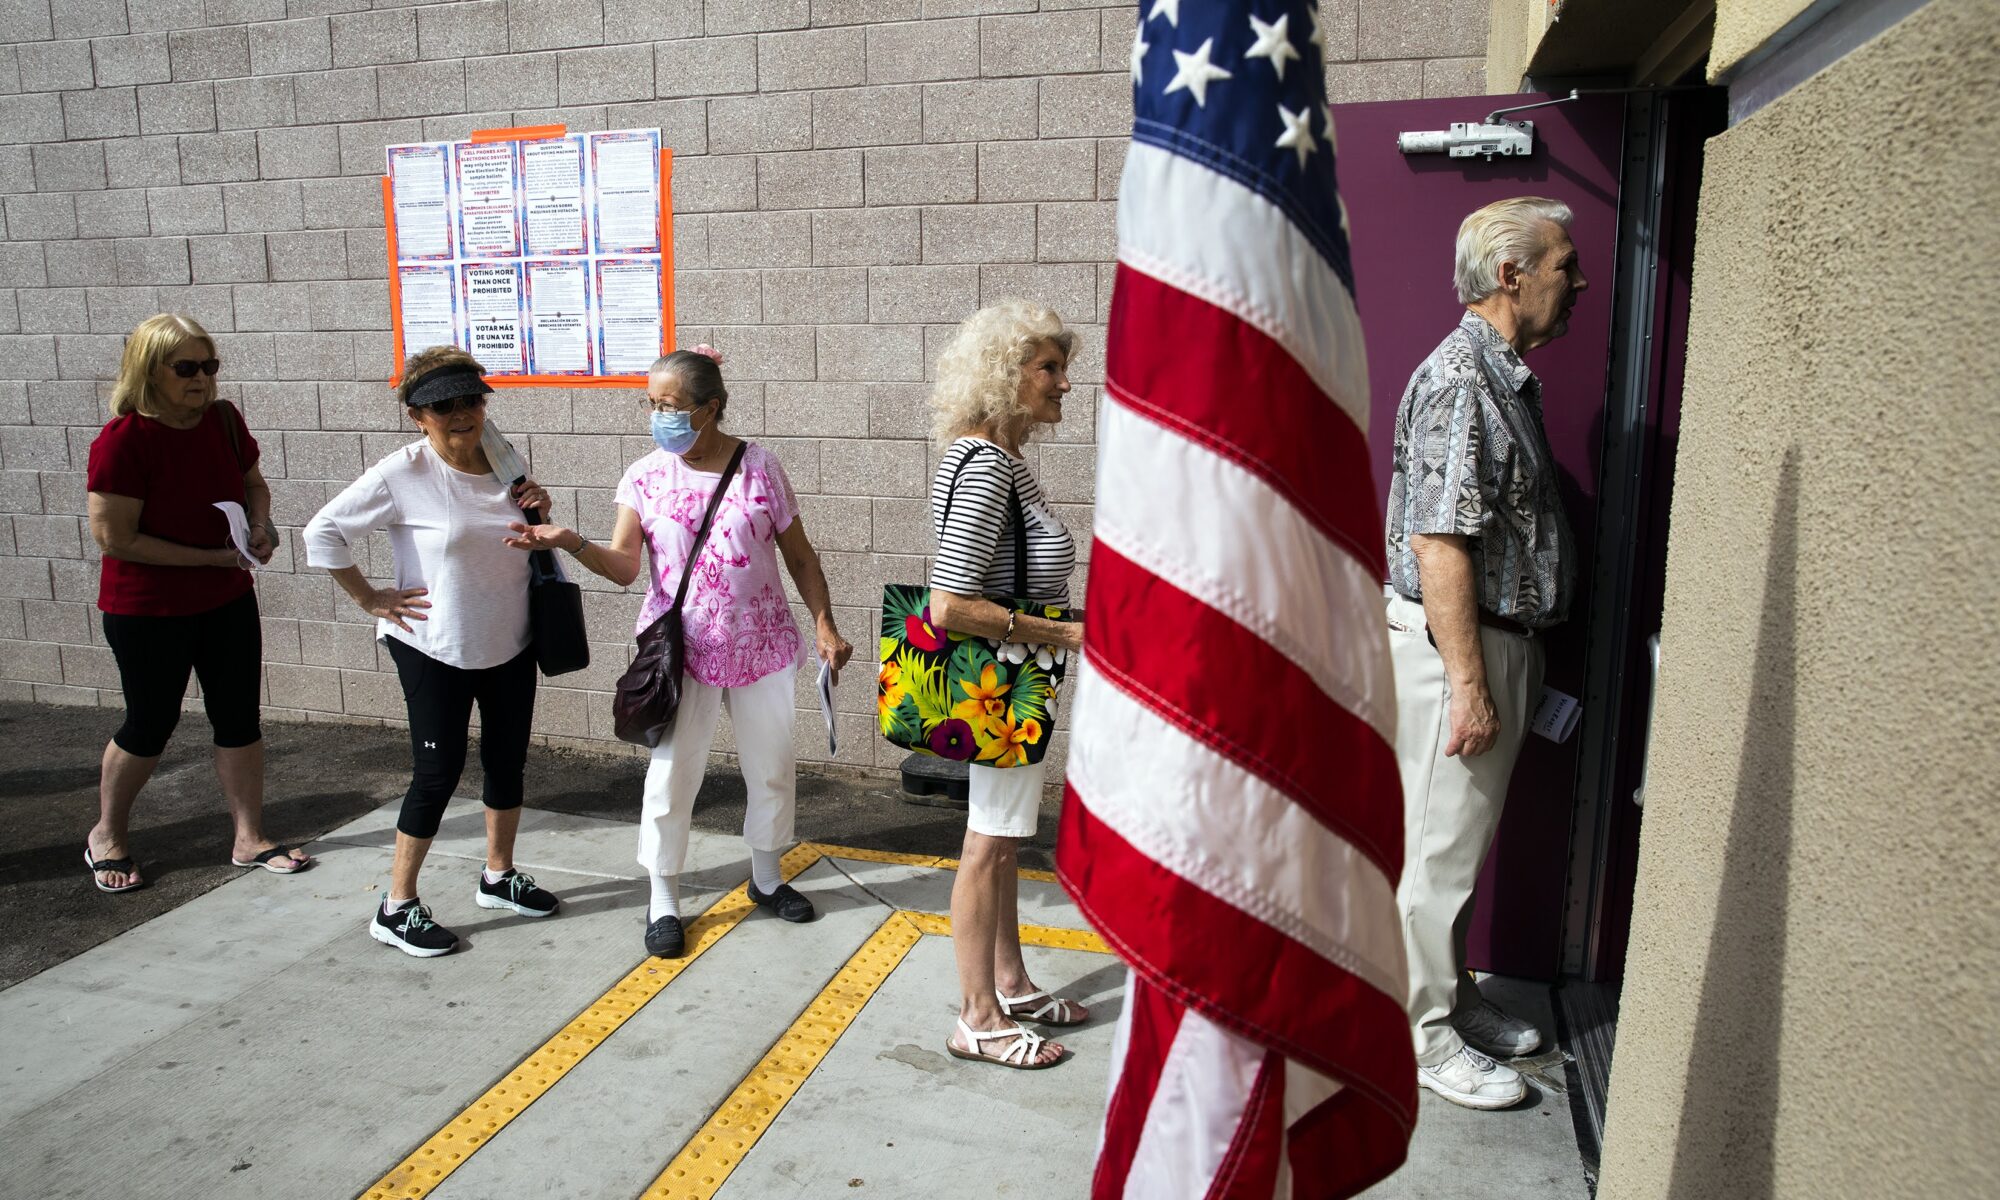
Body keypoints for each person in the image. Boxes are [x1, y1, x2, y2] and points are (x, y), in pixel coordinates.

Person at [502, 345, 853, 959]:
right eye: (651, 404)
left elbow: (800, 556)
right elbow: (624, 566)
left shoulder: (759, 467)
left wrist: (824, 621)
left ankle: (767, 878)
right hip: (679, 649)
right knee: (671, 777)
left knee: (770, 766)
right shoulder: (643, 475)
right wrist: (571, 540)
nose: (659, 415)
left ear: (710, 408)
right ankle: (663, 896)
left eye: (671, 405)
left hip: (761, 643)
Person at [1384, 196, 1587, 1108]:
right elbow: (1439, 543)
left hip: (1490, 646)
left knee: (1453, 850)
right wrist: (1469, 684)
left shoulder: (1499, 374)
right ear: (1513, 276)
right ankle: (1418, 1037)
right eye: (1562, 266)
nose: (1576, 283)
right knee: (1436, 851)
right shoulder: (1465, 379)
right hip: (1457, 651)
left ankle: (1448, 1000)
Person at [303, 346, 561, 957]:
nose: (461, 413)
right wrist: (370, 598)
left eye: (471, 399)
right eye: (443, 405)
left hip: (510, 637)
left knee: (506, 761)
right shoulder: (404, 473)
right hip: (434, 645)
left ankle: (498, 877)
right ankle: (397, 907)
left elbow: (516, 535)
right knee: (437, 774)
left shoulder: (503, 456)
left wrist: (539, 510)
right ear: (417, 415)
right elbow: (323, 531)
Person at [81, 313, 311, 894]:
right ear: (148, 370)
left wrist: (260, 525)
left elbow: (253, 483)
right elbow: (115, 538)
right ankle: (107, 834)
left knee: (238, 716)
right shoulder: (123, 441)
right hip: (147, 608)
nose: (202, 379)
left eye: (210, 366)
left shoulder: (224, 420)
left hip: (226, 597)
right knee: (149, 723)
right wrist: (209, 559)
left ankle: (250, 837)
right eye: (186, 368)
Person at [924, 300, 1089, 1069]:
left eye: (1063, 368)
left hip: (1011, 680)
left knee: (1001, 836)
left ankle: (1012, 982)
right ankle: (979, 1017)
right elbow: (950, 602)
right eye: (1048, 369)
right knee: (987, 845)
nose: (1064, 385)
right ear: (1004, 375)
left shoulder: (987, 458)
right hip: (1004, 681)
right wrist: (1065, 634)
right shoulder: (989, 466)